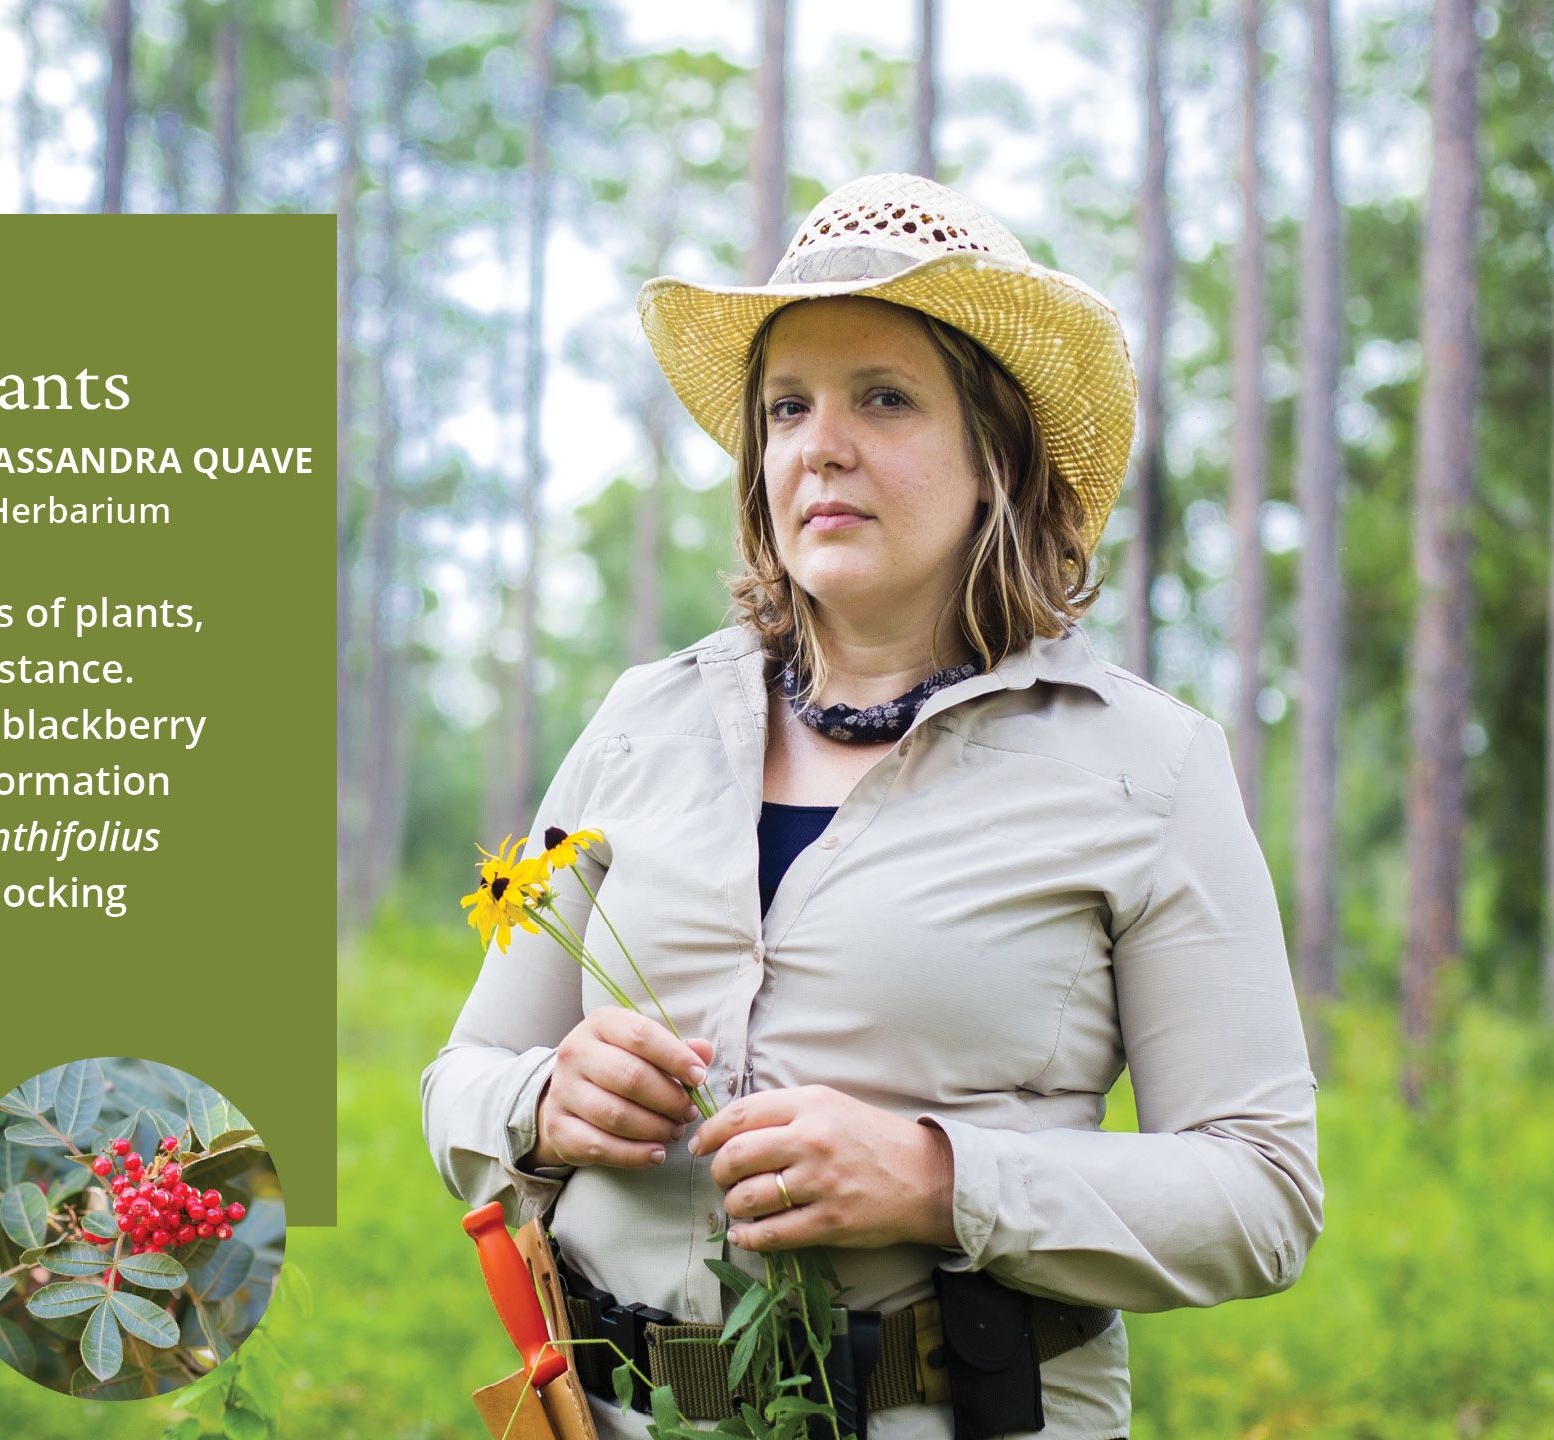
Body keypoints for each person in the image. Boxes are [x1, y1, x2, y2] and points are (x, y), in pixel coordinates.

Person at [421, 173, 1324, 1439]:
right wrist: (541, 1104)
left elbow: (1262, 1198)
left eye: (882, 399)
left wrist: (938, 1180)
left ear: (996, 455)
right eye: (787, 407)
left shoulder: (1146, 766)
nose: (817, 444)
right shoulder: (638, 723)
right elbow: (455, 1081)